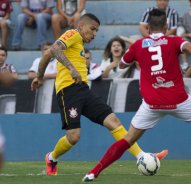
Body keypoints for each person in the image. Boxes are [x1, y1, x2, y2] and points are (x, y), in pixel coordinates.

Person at [82, 9, 191, 182]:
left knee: (128, 139)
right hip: (178, 100)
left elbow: (121, 65)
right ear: (166, 26)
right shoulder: (173, 41)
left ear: (148, 27)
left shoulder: (138, 44)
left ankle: (94, 172)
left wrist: (137, 54)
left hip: (152, 103)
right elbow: (190, 47)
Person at [30, 13, 168, 176]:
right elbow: (52, 50)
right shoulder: (72, 34)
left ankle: (142, 156)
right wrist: (68, 69)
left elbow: (48, 55)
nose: (94, 34)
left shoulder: (79, 43)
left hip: (83, 90)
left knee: (113, 121)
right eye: (92, 29)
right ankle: (52, 157)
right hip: (68, 91)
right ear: (81, 26)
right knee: (73, 137)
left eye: (97, 31)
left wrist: (40, 77)